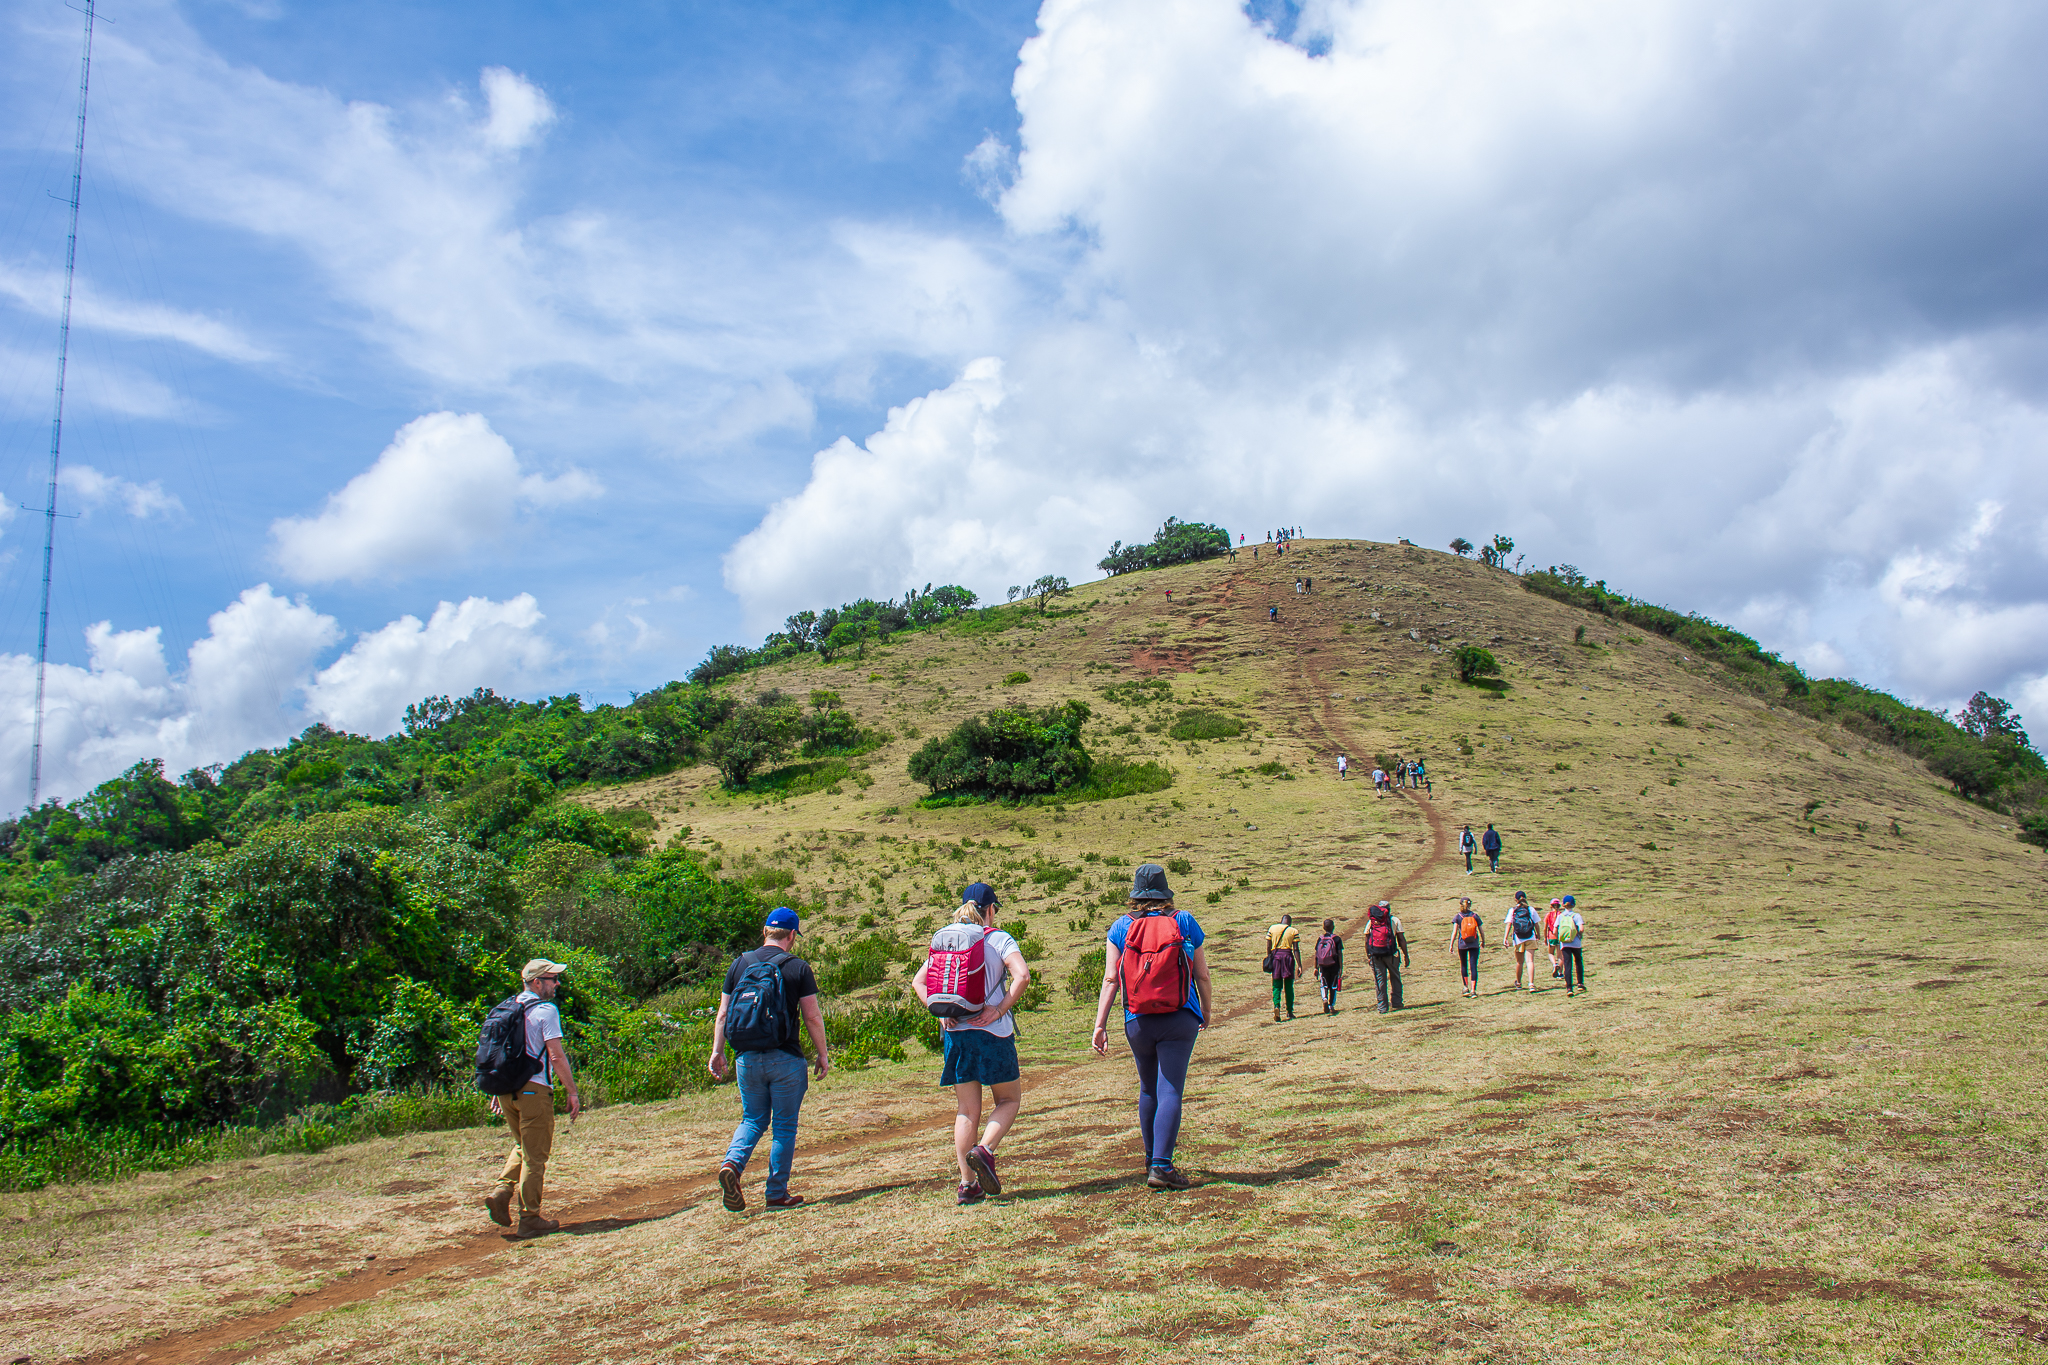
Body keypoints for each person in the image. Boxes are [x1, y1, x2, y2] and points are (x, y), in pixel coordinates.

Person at [1091, 864, 1213, 1190]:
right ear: (1165, 893)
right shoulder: (1184, 921)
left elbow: (1111, 978)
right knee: (1170, 1087)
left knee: (1148, 1088)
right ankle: (1162, 1165)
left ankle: (1150, 1158)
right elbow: (1202, 974)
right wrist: (1205, 1009)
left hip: (1137, 1020)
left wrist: (1100, 1024)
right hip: (1180, 1016)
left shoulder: (1120, 927)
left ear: (1135, 895)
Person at [912, 884, 1031, 1205]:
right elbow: (1022, 975)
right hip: (994, 1033)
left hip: (957, 1034)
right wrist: (999, 1009)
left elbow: (918, 982)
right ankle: (986, 1149)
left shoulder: (947, 939)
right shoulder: (999, 938)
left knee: (966, 1110)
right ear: (990, 909)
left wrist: (940, 1014)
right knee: (1008, 1100)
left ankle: (967, 1184)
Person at [711, 907, 831, 1212]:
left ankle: (732, 1164)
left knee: (752, 1119)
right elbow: (812, 1016)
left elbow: (724, 1013)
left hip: (746, 1059)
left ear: (765, 931)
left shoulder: (739, 964)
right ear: (792, 935)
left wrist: (717, 1050)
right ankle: (776, 1193)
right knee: (784, 1126)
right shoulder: (797, 968)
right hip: (786, 1058)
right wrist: (822, 1053)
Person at [481, 958, 581, 1238]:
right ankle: (530, 1218)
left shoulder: (508, 1008)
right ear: (537, 982)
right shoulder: (546, 1010)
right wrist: (572, 1091)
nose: (557, 984)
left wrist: (498, 1089)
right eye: (553, 979)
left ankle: (502, 1191)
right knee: (536, 1157)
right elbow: (556, 1056)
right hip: (533, 1091)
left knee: (522, 1145)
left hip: (506, 1091)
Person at [1363, 901, 1409, 1013]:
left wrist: (1369, 955)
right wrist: (1406, 955)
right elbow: (1401, 939)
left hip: (1376, 955)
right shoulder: (1395, 920)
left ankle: (1382, 1007)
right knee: (1395, 978)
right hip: (1392, 954)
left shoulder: (1372, 922)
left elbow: (1367, 940)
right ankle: (1397, 1003)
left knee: (1380, 980)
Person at [1503, 891, 1542, 993]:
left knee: (1519, 962)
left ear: (1515, 899)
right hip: (1530, 936)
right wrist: (1538, 934)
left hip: (1518, 938)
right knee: (1530, 961)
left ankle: (1519, 983)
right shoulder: (1530, 909)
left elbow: (1509, 924)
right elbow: (1536, 924)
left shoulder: (1513, 910)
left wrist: (1505, 938)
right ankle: (1531, 984)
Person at [1266, 914, 1300, 1020]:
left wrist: (1269, 957)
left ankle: (1276, 1006)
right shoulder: (1293, 931)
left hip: (1276, 957)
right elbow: (1295, 949)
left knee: (1276, 985)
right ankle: (1289, 1011)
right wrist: (1299, 965)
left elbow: (1268, 945)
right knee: (1289, 985)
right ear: (1289, 923)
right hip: (1288, 957)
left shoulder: (1272, 928)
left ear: (1281, 921)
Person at [1451, 898, 1484, 996]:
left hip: (1462, 944)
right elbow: (1481, 930)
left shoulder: (1458, 917)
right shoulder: (1475, 916)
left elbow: (1455, 932)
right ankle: (1473, 990)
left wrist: (1451, 944)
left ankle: (1466, 987)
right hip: (1474, 944)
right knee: (1473, 966)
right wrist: (1483, 941)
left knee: (1464, 965)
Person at [1313, 918, 1344, 1013]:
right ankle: (1331, 1006)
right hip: (1334, 965)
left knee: (1324, 984)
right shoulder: (1337, 939)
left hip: (1323, 966)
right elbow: (1339, 954)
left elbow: (1316, 954)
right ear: (1333, 927)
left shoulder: (1320, 939)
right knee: (1333, 986)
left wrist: (1315, 967)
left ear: (1323, 927)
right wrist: (1341, 967)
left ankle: (1325, 999)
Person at [1558, 896, 1586, 996]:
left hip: (1564, 943)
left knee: (1567, 964)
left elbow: (1555, 929)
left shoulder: (1560, 916)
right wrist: (1579, 935)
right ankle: (1580, 983)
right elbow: (1581, 928)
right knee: (1578, 961)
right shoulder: (1576, 915)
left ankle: (1569, 987)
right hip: (1576, 943)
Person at [1544, 898, 1565, 979]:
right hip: (1560, 936)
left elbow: (1545, 928)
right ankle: (1560, 973)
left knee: (1550, 953)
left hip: (1551, 936)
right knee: (1560, 955)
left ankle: (1554, 964)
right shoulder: (1561, 915)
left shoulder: (1548, 915)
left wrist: (1545, 937)